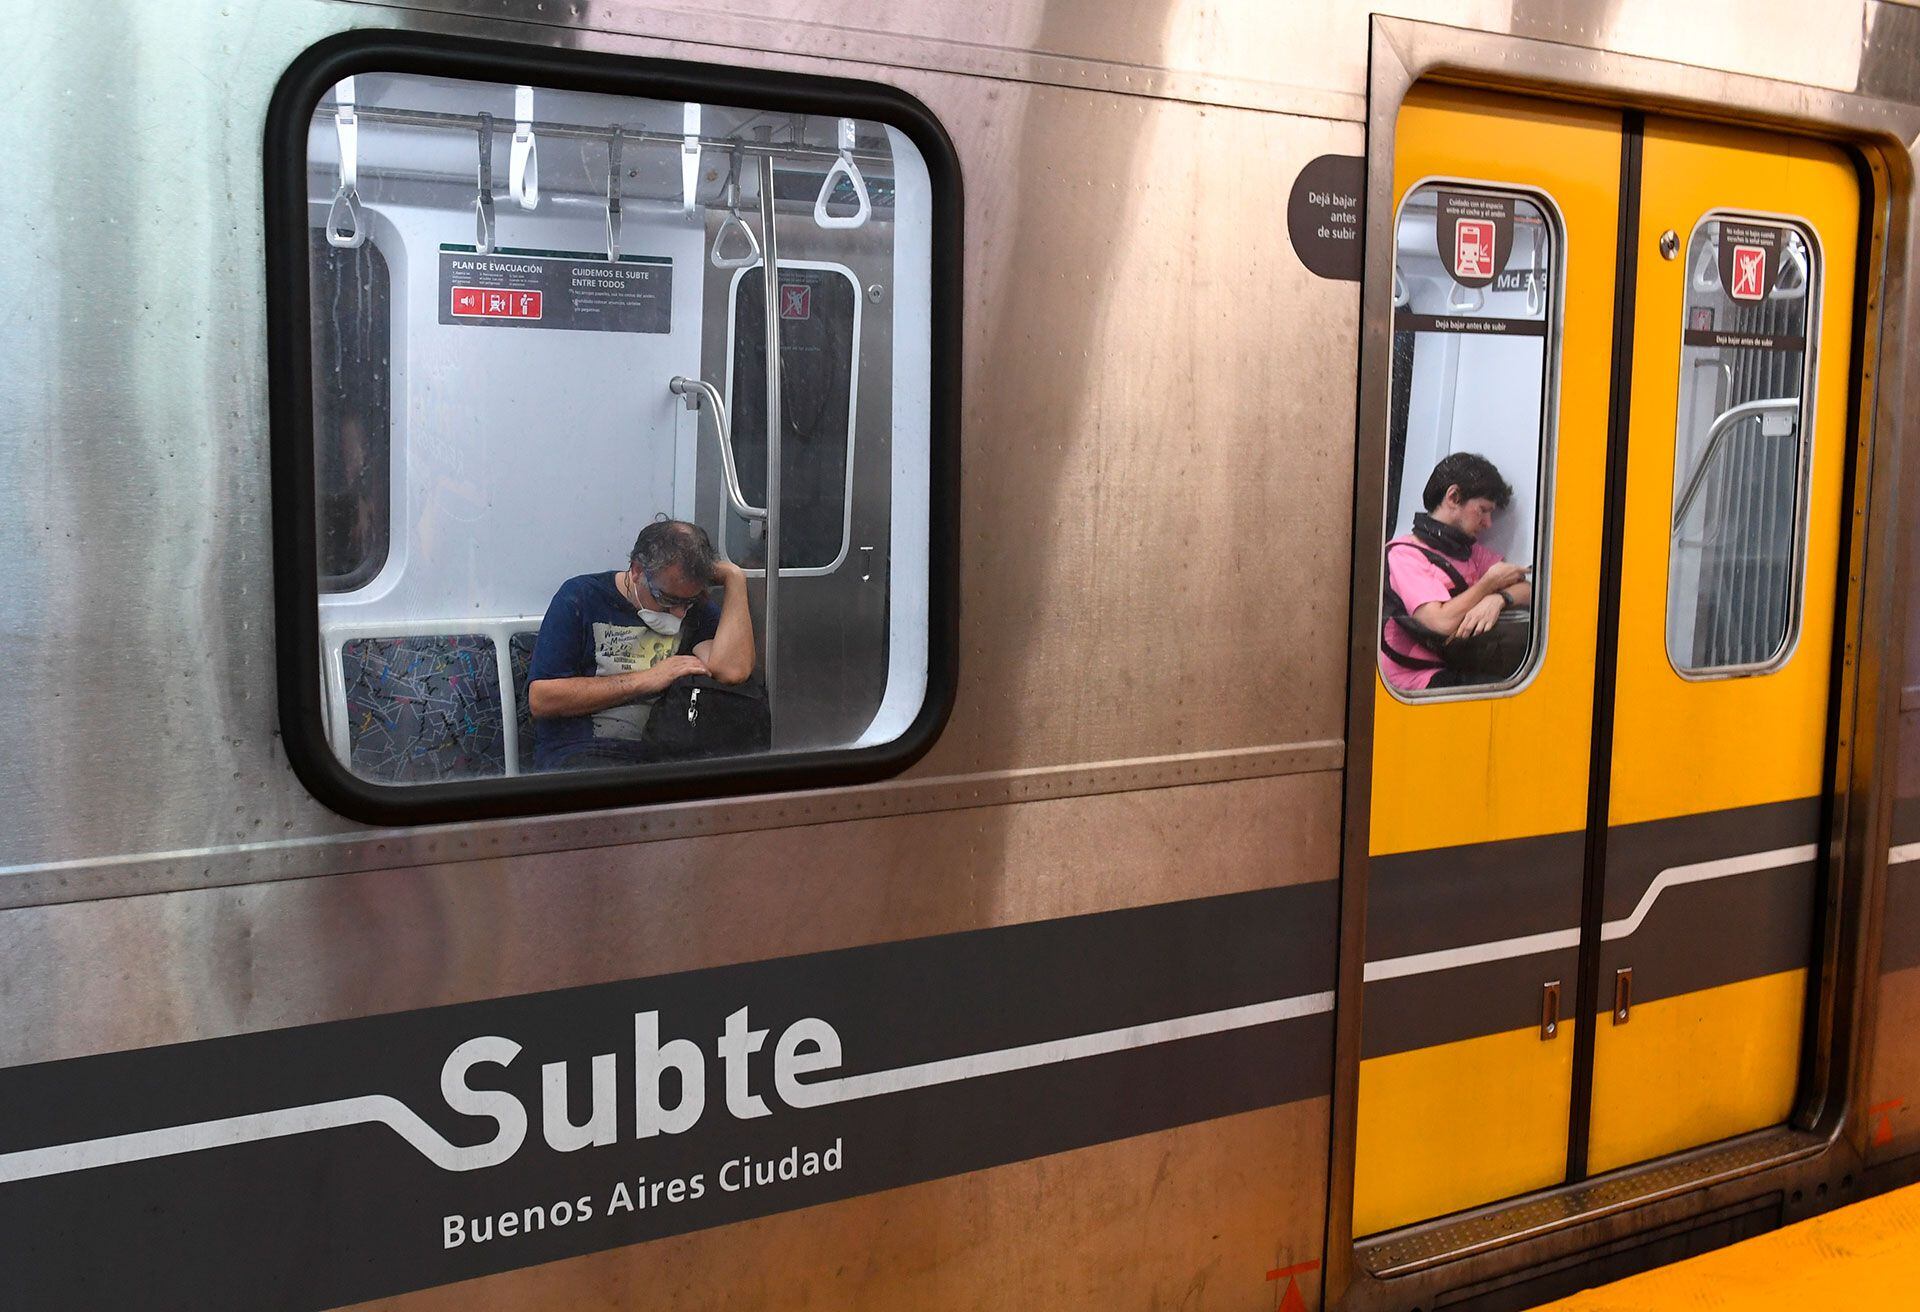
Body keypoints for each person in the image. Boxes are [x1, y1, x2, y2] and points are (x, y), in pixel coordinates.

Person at [527, 519, 755, 770]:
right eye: (666, 599)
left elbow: (733, 670)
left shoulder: (693, 607)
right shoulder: (581, 597)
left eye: (687, 602)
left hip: (662, 754)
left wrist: (735, 579)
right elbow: (542, 699)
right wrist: (647, 679)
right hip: (584, 751)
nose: (679, 613)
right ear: (636, 571)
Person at [1380, 452, 1532, 692]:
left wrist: (1499, 599)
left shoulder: (1471, 552)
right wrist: (1487, 586)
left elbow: (1528, 588)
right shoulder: (1403, 556)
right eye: (1483, 510)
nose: (1488, 523)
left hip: (1458, 664)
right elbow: (1440, 622)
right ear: (1453, 497)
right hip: (1415, 681)